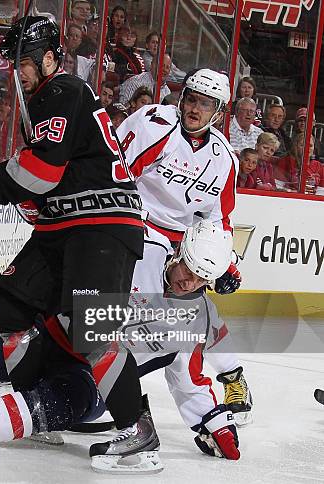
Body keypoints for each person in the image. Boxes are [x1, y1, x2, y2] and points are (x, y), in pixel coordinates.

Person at [0, 15, 150, 471]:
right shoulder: (47, 98)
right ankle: (44, 410)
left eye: (25, 61)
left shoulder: (62, 92)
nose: (18, 70)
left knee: (90, 330)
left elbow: (39, 173)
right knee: (10, 311)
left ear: (51, 58)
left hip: (103, 228)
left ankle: (138, 430)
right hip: (67, 229)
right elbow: (47, 182)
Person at [0, 221, 240, 464]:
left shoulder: (191, 320)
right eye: (188, 270)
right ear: (179, 252)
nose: (188, 283)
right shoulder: (139, 247)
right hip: (53, 333)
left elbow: (188, 379)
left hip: (93, 378)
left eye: (201, 280)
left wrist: (215, 423)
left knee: (73, 399)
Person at [115, 68, 253, 426]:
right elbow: (114, 172)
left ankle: (232, 377)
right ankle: (111, 381)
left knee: (197, 310)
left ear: (219, 112)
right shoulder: (154, 124)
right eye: (191, 99)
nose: (194, 109)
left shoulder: (224, 159)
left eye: (205, 105)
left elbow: (219, 219)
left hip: (185, 241)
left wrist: (227, 264)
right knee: (144, 309)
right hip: (137, 225)